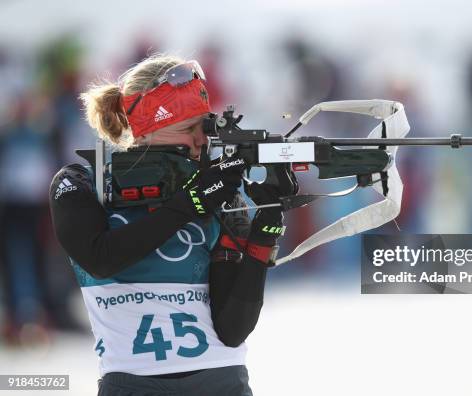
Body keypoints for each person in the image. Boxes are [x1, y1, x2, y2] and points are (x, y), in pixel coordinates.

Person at [49, 54, 294, 395]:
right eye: (187, 129)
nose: (202, 141)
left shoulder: (215, 190)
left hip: (220, 379)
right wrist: (191, 203)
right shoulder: (81, 183)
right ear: (145, 129)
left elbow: (233, 328)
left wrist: (268, 222)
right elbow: (100, 259)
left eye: (204, 127)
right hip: (132, 383)